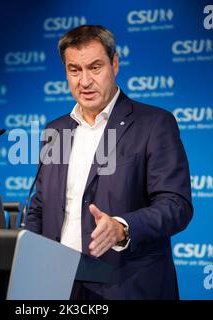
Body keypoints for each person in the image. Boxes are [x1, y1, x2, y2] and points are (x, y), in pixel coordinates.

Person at [25, 25, 193, 300]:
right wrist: (29, 264)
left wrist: (122, 227)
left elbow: (176, 205)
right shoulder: (55, 131)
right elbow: (40, 207)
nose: (85, 81)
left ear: (114, 64)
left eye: (95, 67)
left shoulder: (154, 124)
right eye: (74, 70)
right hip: (58, 286)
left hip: (125, 285)